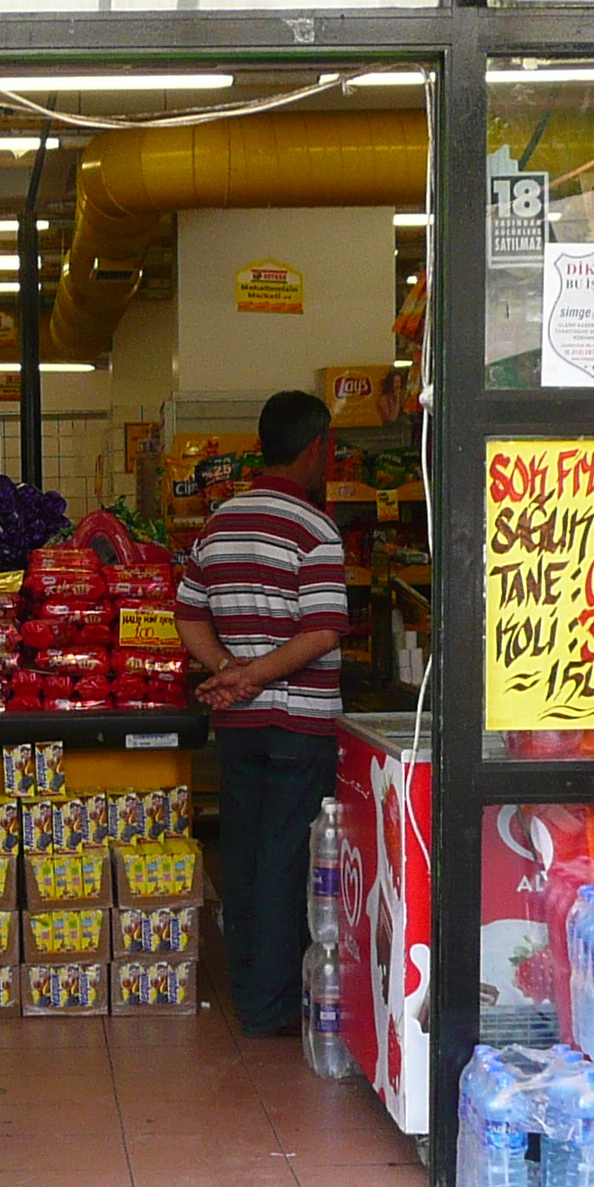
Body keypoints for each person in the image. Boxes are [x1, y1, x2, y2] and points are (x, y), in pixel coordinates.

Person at [176, 388, 348, 1036]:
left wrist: (227, 671)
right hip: (299, 724)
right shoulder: (315, 528)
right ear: (315, 448)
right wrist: (249, 674)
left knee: (244, 855)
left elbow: (188, 614)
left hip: (239, 725)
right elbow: (322, 632)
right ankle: (269, 1005)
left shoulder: (218, 523)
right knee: (287, 859)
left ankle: (249, 988)